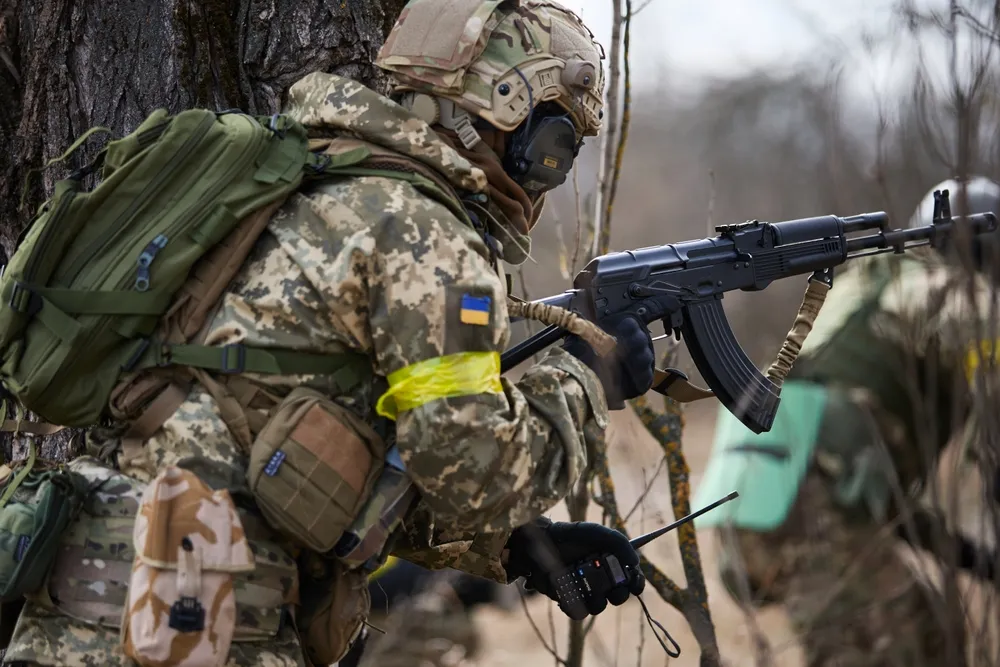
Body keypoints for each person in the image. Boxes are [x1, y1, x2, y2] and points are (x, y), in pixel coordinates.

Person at [0, 2, 652, 665]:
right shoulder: (425, 233)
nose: (549, 174)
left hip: (83, 611)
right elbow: (473, 469)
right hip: (201, 625)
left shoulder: (301, 184)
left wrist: (516, 546)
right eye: (557, 147)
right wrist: (585, 378)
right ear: (503, 108)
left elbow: (320, 469)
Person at [693, 176, 1000, 667]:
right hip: (807, 509)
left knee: (931, 634)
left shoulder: (866, 283)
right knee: (895, 650)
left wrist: (964, 553)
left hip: (753, 501)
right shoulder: (943, 291)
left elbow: (858, 469)